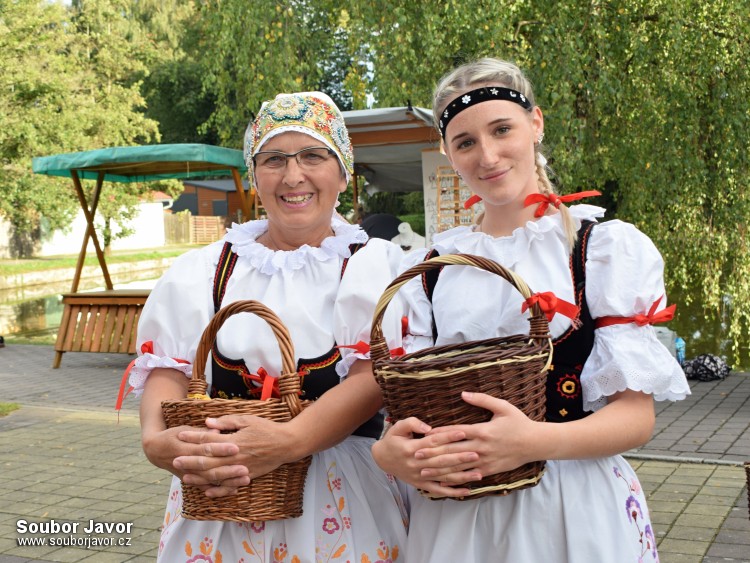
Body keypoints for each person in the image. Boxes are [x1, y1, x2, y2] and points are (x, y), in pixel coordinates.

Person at [371, 58, 691, 562]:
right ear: (447, 153)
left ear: (535, 123)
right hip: (460, 517)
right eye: (465, 142)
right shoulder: (433, 270)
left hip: (571, 507)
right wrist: (389, 451)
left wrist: (532, 441)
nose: (488, 155)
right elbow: (413, 410)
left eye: (502, 130)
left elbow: (635, 417)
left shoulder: (596, 250)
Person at [129, 92, 408, 562]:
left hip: (341, 496)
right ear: (255, 176)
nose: (293, 176)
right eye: (274, 159)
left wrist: (288, 442)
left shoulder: (370, 266)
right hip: (222, 494)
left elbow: (372, 377)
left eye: (313, 156)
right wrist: (155, 440)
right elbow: (168, 372)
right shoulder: (205, 269)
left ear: (343, 173)